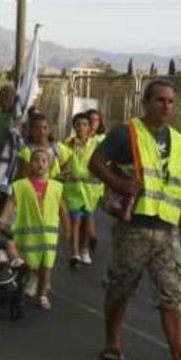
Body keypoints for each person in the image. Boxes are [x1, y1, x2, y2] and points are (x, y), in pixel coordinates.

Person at [89, 79, 181, 360]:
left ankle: (180, 357)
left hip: (166, 228)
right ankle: (112, 342)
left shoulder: (178, 140)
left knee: (173, 291)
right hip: (134, 226)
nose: (166, 106)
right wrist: (118, 183)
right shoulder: (126, 133)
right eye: (160, 100)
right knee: (121, 287)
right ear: (145, 103)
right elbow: (96, 162)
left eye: (170, 101)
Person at [8, 148, 68, 310]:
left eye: (44, 161)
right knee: (25, 264)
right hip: (27, 234)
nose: (40, 164)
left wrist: (67, 228)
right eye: (36, 160)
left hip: (49, 235)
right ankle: (19, 288)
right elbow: (11, 202)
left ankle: (42, 294)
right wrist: (2, 218)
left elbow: (62, 208)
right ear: (29, 165)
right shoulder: (21, 186)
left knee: (46, 266)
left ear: (49, 165)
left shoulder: (56, 187)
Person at [64, 112, 99, 266]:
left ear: (89, 127)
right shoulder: (67, 143)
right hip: (72, 190)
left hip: (89, 191)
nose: (81, 128)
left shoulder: (95, 145)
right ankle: (75, 253)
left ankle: (84, 249)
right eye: (78, 124)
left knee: (86, 222)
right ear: (74, 127)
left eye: (84, 124)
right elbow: (63, 163)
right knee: (75, 220)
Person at [0, 85, 25, 212]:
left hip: (10, 169)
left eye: (9, 96)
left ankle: (2, 225)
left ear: (14, 98)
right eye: (2, 95)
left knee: (4, 201)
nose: (5, 98)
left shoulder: (18, 116)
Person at [18, 113, 72, 179]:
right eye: (37, 128)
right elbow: (23, 178)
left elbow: (66, 171)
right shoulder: (26, 151)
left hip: (55, 188)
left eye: (45, 128)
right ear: (31, 131)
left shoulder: (59, 148)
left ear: (49, 130)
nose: (41, 132)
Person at [86, 108, 107, 253]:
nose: (94, 123)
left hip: (95, 182)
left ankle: (90, 237)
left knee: (88, 211)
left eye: (96, 120)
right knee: (86, 211)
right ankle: (90, 236)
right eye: (91, 120)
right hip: (80, 182)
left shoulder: (102, 139)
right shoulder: (80, 138)